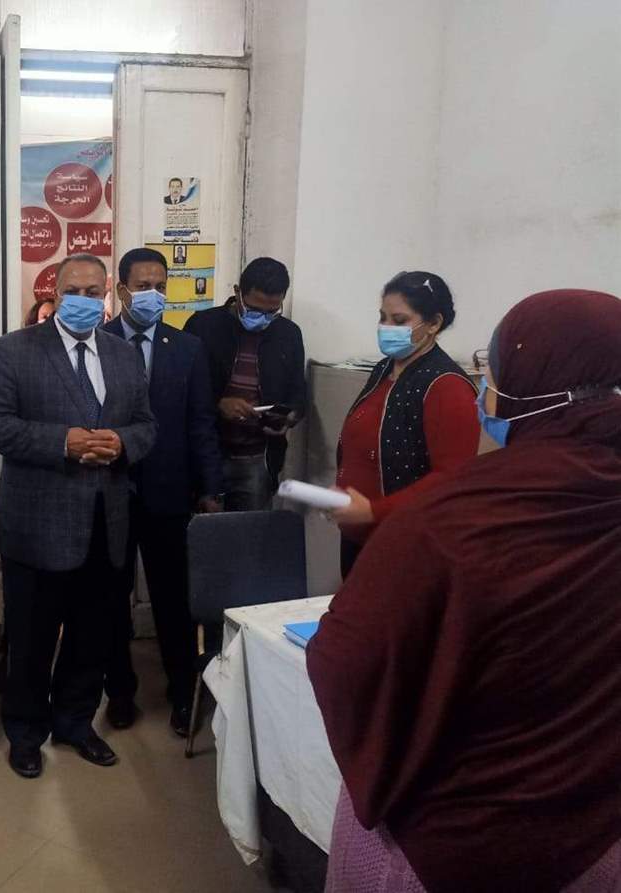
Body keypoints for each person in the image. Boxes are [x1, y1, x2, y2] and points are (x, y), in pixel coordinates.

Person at [307, 289, 621, 893]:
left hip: (460, 837)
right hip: (593, 823)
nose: (485, 390)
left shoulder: (451, 522)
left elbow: (345, 660)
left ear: (533, 390)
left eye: (492, 374)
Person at [0, 252, 156, 779]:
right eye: (72, 291)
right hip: (37, 524)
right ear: (54, 293)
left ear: (107, 296)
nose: (82, 300)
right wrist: (64, 443)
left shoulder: (123, 355)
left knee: (91, 636)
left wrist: (122, 443)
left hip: (106, 523)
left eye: (92, 292)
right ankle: (25, 733)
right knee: (31, 641)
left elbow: (147, 425)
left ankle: (75, 723)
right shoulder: (13, 350)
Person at [101, 247, 224, 736]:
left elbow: (201, 423)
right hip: (109, 491)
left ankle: (182, 693)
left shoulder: (187, 349)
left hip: (170, 493)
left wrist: (211, 487)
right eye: (142, 286)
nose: (153, 294)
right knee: (110, 599)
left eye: (160, 286)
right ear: (122, 290)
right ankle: (119, 693)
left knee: (174, 601)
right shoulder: (98, 342)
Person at [329, 271, 480, 577]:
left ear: (433, 323)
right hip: (360, 537)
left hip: (405, 544)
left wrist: (374, 511)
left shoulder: (446, 385)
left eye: (399, 321)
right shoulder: (385, 369)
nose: (386, 328)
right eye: (382, 318)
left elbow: (452, 478)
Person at [184, 257, 306, 511]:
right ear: (238, 292)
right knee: (203, 530)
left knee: (250, 532)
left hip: (258, 459)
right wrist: (219, 404)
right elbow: (181, 391)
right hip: (208, 455)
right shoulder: (202, 326)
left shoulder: (289, 334)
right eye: (254, 309)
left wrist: (288, 417)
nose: (262, 318)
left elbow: (298, 394)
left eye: (272, 311)